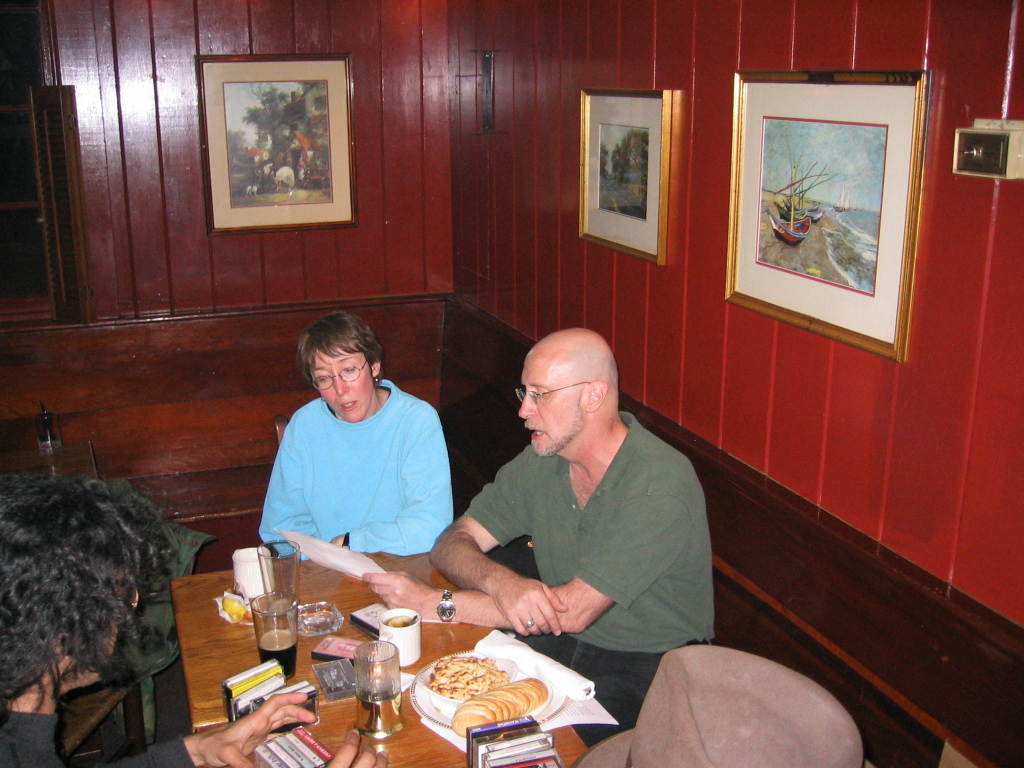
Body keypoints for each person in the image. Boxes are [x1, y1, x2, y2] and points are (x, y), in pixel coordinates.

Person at [364, 328, 714, 746]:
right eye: (524, 393)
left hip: (648, 668)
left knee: (511, 747)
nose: (523, 410)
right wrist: (502, 582)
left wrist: (439, 604)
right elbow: (452, 541)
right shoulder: (544, 459)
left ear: (593, 396)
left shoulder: (660, 483)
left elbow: (571, 611)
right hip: (558, 646)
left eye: (539, 395)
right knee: (433, 708)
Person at [0, 473, 386, 768]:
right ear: (68, 624)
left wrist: (195, 750)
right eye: (122, 592)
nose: (132, 605)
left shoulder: (18, 726)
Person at [260, 311, 453, 555]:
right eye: (324, 378)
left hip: (399, 565)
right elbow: (280, 529)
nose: (340, 389)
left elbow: (431, 525)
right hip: (322, 567)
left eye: (349, 370)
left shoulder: (416, 420)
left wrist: (353, 542)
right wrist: (325, 559)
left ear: (374, 366)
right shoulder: (304, 425)